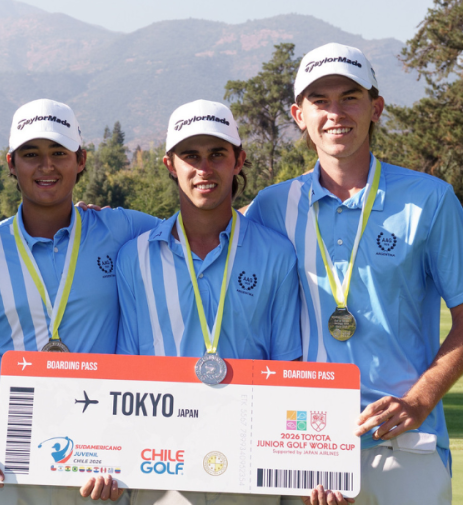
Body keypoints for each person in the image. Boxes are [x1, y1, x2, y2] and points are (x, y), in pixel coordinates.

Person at [245, 43, 463, 505]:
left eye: (350, 97)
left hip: (405, 445)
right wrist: (82, 215)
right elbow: (203, 231)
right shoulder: (271, 207)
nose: (335, 113)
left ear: (375, 107)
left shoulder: (430, 199)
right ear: (299, 115)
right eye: (320, 101)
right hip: (306, 447)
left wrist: (420, 401)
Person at [0, 98, 160, 505]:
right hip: (2, 454)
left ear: (80, 160)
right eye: (31, 155)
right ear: (10, 163)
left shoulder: (123, 228)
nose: (46, 166)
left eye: (59, 153)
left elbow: (201, 224)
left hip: (97, 448)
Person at [115, 99, 303, 505]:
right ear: (170, 164)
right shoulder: (135, 257)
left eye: (217, 154)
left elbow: (287, 367)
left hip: (248, 465)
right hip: (159, 466)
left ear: (238, 160)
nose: (204, 168)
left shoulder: (276, 253)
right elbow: (126, 371)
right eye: (191, 155)